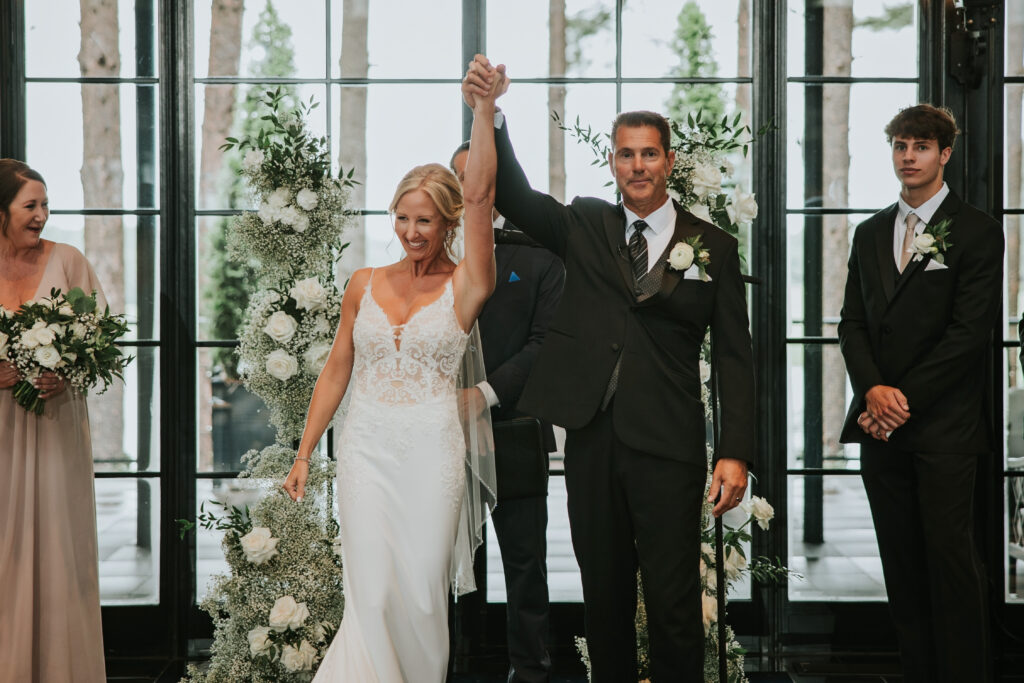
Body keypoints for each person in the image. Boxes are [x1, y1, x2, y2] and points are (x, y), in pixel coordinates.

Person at [462, 56, 756, 681]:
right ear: (614, 163)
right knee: (604, 600)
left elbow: (734, 356)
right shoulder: (584, 225)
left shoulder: (714, 247)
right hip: (592, 440)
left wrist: (734, 452)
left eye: (649, 154)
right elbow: (512, 193)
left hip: (670, 445)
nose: (637, 166)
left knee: (675, 602)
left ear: (669, 162)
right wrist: (492, 113)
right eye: (626, 155)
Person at [282, 70, 508, 682]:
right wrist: (305, 453)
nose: (411, 232)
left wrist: (483, 112)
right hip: (366, 448)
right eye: (402, 218)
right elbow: (335, 369)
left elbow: (483, 194)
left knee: (422, 595)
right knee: (374, 595)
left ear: (449, 224)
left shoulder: (468, 286)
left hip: (432, 450)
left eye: (426, 221)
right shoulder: (364, 283)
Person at [838, 104, 1001, 683]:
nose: (909, 157)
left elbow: (968, 335)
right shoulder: (870, 231)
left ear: (945, 154)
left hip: (944, 430)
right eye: (901, 146)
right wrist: (873, 393)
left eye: (921, 147)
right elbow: (851, 323)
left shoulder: (978, 230)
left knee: (952, 569)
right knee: (902, 569)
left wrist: (900, 401)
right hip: (880, 431)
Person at [451, 142, 565, 683]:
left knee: (525, 566)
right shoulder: (429, 256)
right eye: (461, 180)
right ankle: (445, 664)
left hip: (514, 430)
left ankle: (531, 671)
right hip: (437, 433)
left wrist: (486, 393)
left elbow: (547, 343)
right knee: (436, 563)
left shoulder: (540, 257)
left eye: (482, 179)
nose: (471, 190)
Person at [0, 159, 107, 682]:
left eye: (45, 204)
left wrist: (66, 376)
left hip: (54, 426)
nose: (42, 215)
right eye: (30, 205)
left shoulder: (69, 262)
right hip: (0, 433)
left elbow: (99, 340)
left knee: (60, 549)